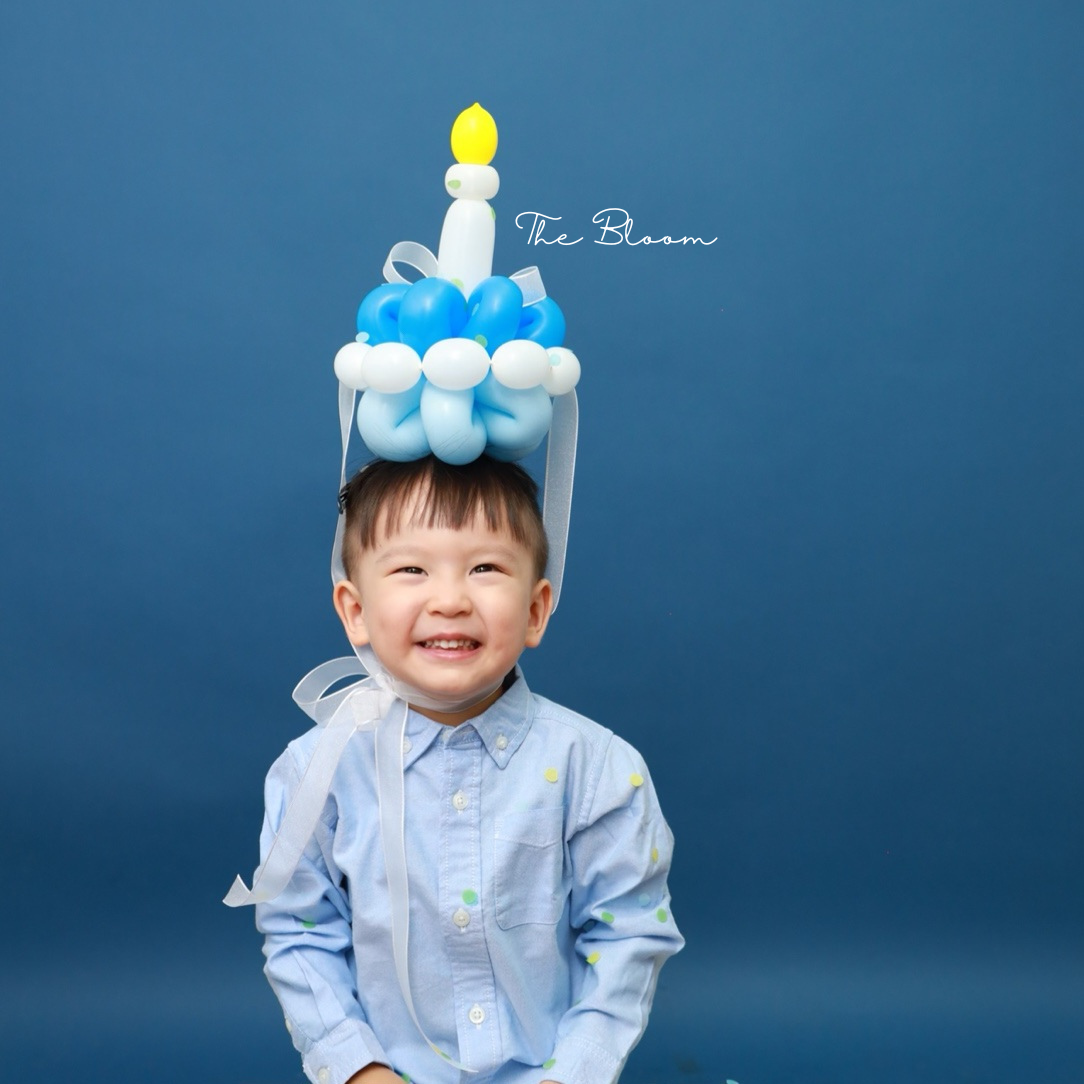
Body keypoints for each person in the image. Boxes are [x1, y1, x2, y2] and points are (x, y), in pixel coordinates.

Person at [248, 453, 682, 1084]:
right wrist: (358, 1071)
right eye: (410, 569)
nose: (449, 599)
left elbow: (628, 935)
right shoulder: (317, 772)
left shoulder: (597, 768)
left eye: (484, 567)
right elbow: (300, 935)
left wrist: (573, 1074)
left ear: (536, 609)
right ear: (355, 610)